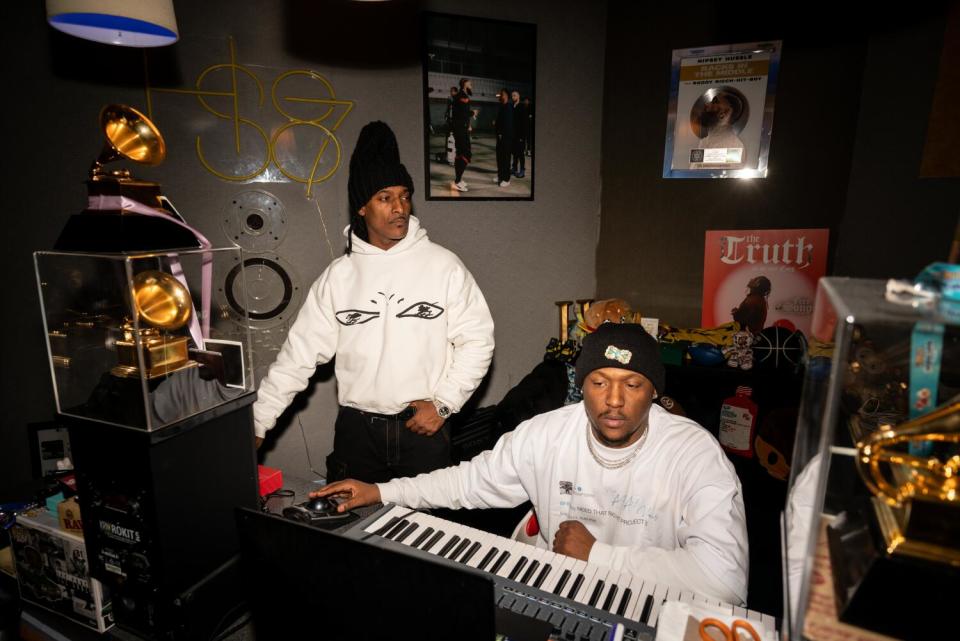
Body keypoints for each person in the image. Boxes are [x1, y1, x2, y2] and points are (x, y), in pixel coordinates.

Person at [316, 323, 749, 605]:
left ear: (653, 391)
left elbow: (723, 583)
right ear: (583, 387)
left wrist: (598, 555)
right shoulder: (546, 434)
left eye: (632, 384)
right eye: (599, 383)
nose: (614, 401)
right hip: (553, 590)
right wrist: (381, 491)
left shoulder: (695, 455)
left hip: (647, 603)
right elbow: (469, 482)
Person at [253, 121, 495, 483]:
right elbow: (296, 358)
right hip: (357, 435)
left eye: (404, 195)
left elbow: (478, 340)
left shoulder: (444, 266)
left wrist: (444, 404)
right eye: (385, 197)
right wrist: (258, 422)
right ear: (362, 208)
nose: (399, 207)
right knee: (353, 535)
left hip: (421, 432)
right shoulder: (339, 277)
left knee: (424, 537)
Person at [451, 78, 475, 192]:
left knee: (461, 153)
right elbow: (463, 113)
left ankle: (458, 179)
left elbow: (463, 114)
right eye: (470, 83)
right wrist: (473, 113)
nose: (471, 85)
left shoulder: (464, 95)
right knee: (466, 153)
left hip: (462, 128)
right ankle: (457, 181)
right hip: (460, 129)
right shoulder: (461, 95)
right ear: (465, 84)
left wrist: (468, 124)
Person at [494, 88, 514, 187]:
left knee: (505, 158)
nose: (500, 96)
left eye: (501, 94)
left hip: (506, 137)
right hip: (500, 136)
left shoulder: (509, 107)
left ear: (506, 95)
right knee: (500, 157)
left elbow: (508, 124)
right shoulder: (502, 106)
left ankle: (506, 179)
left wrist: (502, 133)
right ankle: (500, 175)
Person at [510, 91, 527, 179]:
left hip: (520, 135)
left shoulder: (522, 106)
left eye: (515, 95)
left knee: (520, 154)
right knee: (515, 153)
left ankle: (522, 171)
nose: (513, 97)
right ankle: (514, 168)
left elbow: (524, 123)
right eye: (512, 96)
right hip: (513, 135)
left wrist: (522, 137)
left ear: (518, 96)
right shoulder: (512, 107)